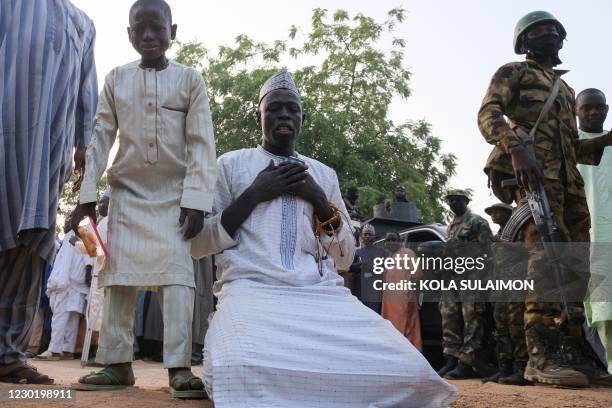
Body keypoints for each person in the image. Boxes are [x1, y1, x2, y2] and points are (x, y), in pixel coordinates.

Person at [191, 68, 457, 407]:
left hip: (319, 298)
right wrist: (255, 193)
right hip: (252, 293)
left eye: (292, 108)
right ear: (258, 114)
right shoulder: (230, 166)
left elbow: (345, 258)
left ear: (302, 118)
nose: (284, 114)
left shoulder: (322, 175)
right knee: (236, 370)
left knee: (412, 375)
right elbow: (199, 245)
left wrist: (318, 199)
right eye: (274, 107)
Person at [69, 0, 216, 398]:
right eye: (140, 28)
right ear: (129, 34)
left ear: (173, 30)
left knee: (178, 280)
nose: (149, 35)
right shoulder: (116, 78)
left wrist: (197, 198)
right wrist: (86, 197)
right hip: (126, 195)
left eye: (157, 27)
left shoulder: (191, 80)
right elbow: (100, 137)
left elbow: (202, 143)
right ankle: (117, 365)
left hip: (175, 198)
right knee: (115, 280)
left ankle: (180, 367)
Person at [478, 11, 612, 387]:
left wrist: (602, 142)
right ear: (524, 42)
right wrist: (516, 146)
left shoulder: (566, 91)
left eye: (553, 30)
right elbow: (489, 114)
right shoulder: (514, 73)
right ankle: (540, 355)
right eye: (537, 31)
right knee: (544, 263)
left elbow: (571, 146)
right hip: (535, 180)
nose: (547, 35)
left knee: (576, 267)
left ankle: (572, 351)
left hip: (569, 188)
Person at [0, 0, 97, 384]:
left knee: (30, 244)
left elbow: (87, 89)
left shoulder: (84, 24)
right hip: (6, 137)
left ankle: (8, 353)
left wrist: (86, 145)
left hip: (50, 153)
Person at [438, 189, 495, 380]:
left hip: (472, 277)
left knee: (472, 319)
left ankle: (467, 362)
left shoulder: (478, 222)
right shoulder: (452, 225)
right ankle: (452, 359)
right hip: (453, 278)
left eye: (457, 200)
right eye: (450, 200)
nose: (453, 203)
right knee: (449, 318)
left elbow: (487, 252)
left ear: (466, 201)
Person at [576, 88, 612, 373]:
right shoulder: (569, 147)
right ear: (576, 111)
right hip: (583, 239)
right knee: (597, 309)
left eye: (599, 107)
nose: (593, 112)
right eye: (586, 108)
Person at [482, 203, 529, 385]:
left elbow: (527, 249)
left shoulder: (517, 230)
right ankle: (504, 368)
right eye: (491, 213)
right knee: (500, 329)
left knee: (516, 325)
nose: (493, 215)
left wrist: (502, 243)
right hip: (499, 285)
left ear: (507, 213)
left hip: (515, 283)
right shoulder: (497, 236)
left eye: (497, 212)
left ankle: (522, 369)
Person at [35, 224, 92, 361]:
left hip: (68, 284)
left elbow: (91, 257)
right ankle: (67, 350)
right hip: (72, 285)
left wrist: (61, 283)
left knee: (60, 318)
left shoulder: (82, 234)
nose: (66, 222)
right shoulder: (75, 237)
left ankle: (54, 351)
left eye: (70, 218)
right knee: (70, 319)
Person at [381, 232, 422, 351]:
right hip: (389, 302)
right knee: (392, 328)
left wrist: (411, 294)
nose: (391, 242)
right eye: (388, 240)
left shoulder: (408, 253)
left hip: (405, 299)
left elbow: (417, 276)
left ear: (400, 241)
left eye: (394, 239)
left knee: (407, 328)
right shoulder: (389, 257)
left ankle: (412, 355)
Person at [349, 224, 387, 313]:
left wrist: (374, 267)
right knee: (360, 312)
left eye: (370, 234)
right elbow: (350, 267)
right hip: (360, 288)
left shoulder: (381, 252)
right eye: (365, 234)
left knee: (374, 313)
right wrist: (361, 265)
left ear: (374, 236)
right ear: (362, 236)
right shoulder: (357, 252)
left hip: (374, 290)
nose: (367, 236)